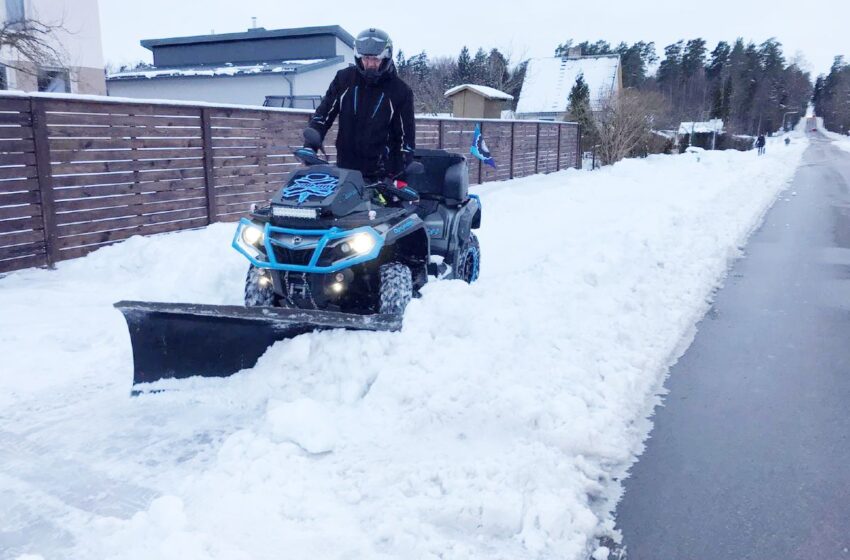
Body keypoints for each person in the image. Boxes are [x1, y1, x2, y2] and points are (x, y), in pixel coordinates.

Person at [305, 28, 416, 182]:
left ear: (386, 58)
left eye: (375, 60)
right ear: (358, 57)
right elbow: (323, 115)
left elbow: (406, 137)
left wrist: (402, 169)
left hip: (382, 176)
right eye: (366, 59)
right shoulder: (344, 79)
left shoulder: (400, 91)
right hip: (345, 170)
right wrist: (311, 145)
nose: (370, 64)